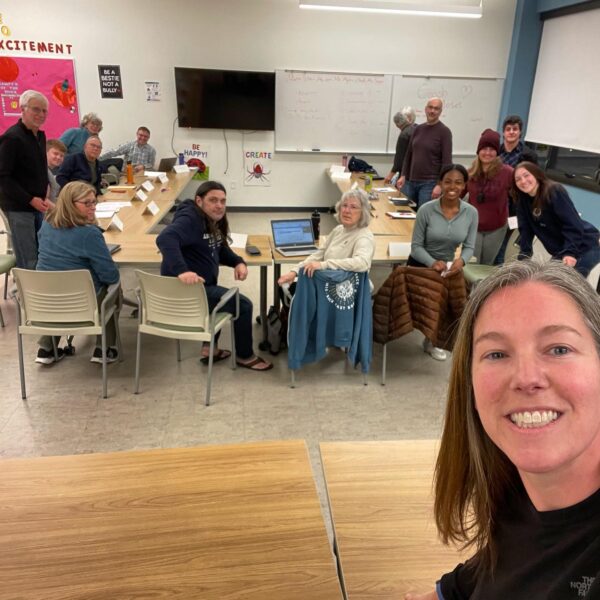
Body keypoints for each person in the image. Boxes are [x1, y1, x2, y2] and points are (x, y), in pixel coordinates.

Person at [405, 260, 600, 600]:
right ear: (470, 387)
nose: (526, 378)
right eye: (496, 354)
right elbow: (484, 577)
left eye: (558, 349)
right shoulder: (517, 489)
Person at [156, 181, 272, 371]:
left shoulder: (210, 220)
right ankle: (245, 356)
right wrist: (182, 271)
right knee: (243, 305)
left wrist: (238, 261)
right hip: (187, 293)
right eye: (213, 200)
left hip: (200, 288)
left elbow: (219, 247)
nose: (219, 205)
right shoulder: (190, 218)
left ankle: (210, 348)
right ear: (199, 201)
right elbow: (165, 238)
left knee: (219, 296)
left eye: (223, 201)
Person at [35, 182, 120, 365]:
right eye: (87, 203)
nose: (93, 207)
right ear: (70, 204)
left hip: (43, 301)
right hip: (81, 305)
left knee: (58, 287)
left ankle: (46, 348)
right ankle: (103, 348)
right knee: (113, 288)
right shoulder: (89, 234)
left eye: (94, 202)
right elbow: (110, 275)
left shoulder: (47, 223)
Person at [409, 163, 478, 361]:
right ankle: (429, 333)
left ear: (464, 185)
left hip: (448, 266)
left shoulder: (471, 213)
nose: (452, 187)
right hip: (421, 264)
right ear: (440, 183)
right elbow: (416, 247)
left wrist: (461, 261)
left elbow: (469, 247)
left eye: (458, 182)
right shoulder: (426, 210)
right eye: (447, 182)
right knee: (430, 298)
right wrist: (432, 262)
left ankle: (433, 341)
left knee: (455, 298)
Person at [513, 161, 600, 278]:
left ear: (536, 174)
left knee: (567, 285)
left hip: (585, 246)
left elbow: (572, 224)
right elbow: (526, 231)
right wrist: (523, 258)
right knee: (547, 280)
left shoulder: (554, 191)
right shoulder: (522, 201)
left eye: (526, 175)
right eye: (518, 179)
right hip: (561, 249)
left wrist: (569, 253)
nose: (523, 181)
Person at [277, 188, 375, 286]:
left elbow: (362, 263)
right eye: (344, 205)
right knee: (287, 287)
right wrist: (295, 271)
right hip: (329, 282)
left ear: (363, 212)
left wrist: (324, 265)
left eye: (353, 207)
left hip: (345, 290)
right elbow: (319, 254)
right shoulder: (339, 229)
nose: (347, 211)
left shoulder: (364, 237)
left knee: (297, 293)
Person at [0, 89, 51, 269]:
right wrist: (30, 199)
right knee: (28, 256)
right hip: (19, 207)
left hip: (38, 204)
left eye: (44, 111)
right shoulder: (12, 138)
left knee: (41, 251)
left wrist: (46, 188)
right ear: (23, 109)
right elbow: (3, 178)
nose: (41, 114)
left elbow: (39, 167)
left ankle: (42, 293)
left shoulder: (40, 136)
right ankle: (29, 296)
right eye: (36, 109)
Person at [493, 114, 539, 265]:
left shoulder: (528, 155)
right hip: (496, 203)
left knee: (505, 243)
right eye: (508, 129)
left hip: (517, 206)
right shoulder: (496, 153)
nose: (511, 132)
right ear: (503, 132)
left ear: (520, 132)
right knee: (493, 239)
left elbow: (533, 182)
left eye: (515, 129)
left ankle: (499, 272)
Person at [466, 129, 513, 265]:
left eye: (492, 149)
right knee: (472, 264)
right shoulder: (470, 173)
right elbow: (456, 195)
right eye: (484, 148)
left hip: (496, 228)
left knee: (486, 265)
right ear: (478, 150)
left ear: (497, 152)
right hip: (474, 226)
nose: (487, 153)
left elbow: (519, 196)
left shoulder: (507, 172)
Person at [396, 97, 452, 210]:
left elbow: (447, 163)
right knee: (403, 213)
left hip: (429, 184)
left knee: (423, 217)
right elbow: (409, 154)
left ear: (440, 112)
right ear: (426, 109)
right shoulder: (418, 129)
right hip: (409, 182)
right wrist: (403, 175)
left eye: (436, 109)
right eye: (430, 107)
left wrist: (440, 185)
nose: (432, 111)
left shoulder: (444, 132)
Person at [384, 107, 417, 184]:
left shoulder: (404, 134)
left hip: (407, 175)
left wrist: (390, 175)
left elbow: (399, 158)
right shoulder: (419, 129)